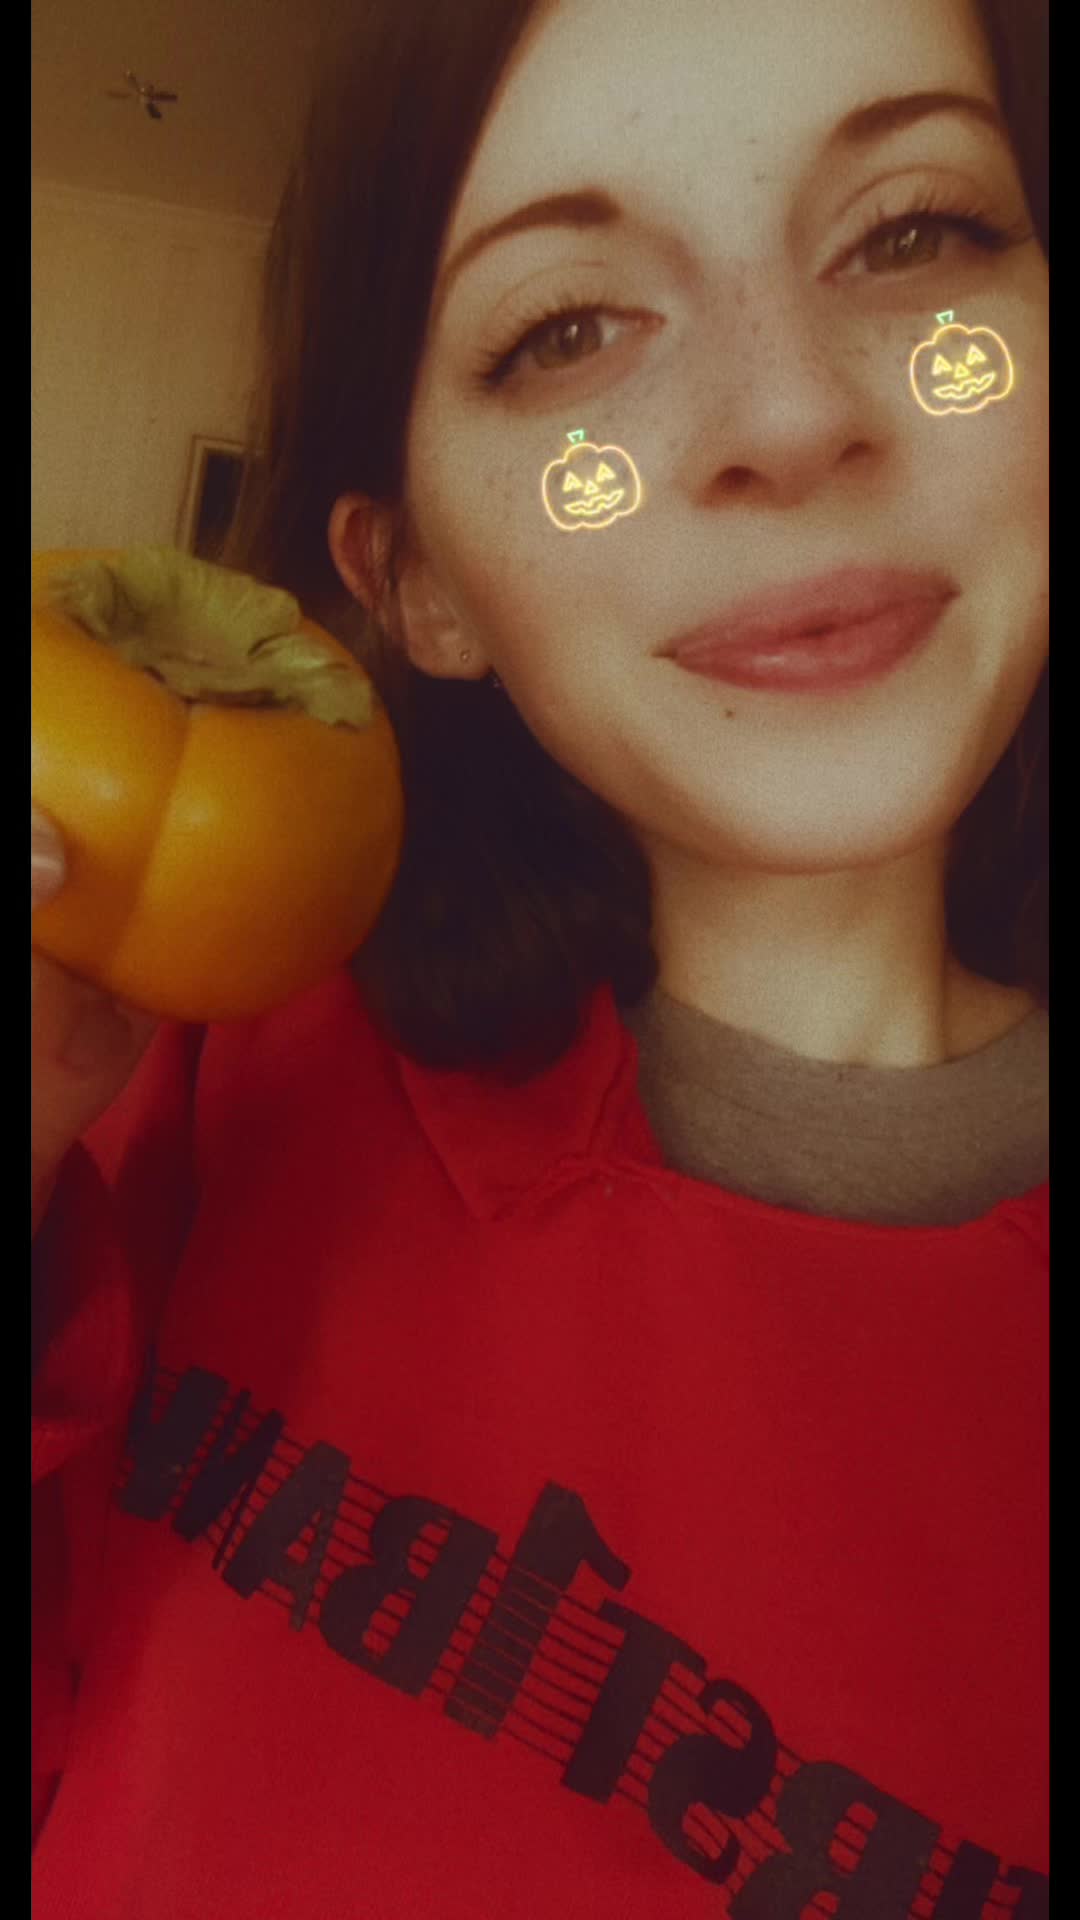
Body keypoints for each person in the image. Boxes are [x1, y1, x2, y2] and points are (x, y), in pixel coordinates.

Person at [31, 0, 1048, 1911]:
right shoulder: (204, 1078)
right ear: (416, 580)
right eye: (568, 330)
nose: (790, 419)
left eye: (916, 233)